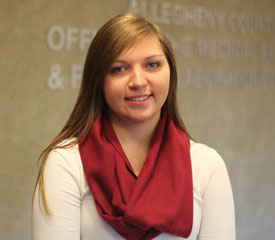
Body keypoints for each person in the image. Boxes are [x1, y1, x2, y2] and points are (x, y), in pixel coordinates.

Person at [32, 13, 235, 240]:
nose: (138, 81)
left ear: (171, 73)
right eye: (119, 69)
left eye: (152, 64)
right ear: (98, 81)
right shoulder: (66, 162)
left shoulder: (206, 165)